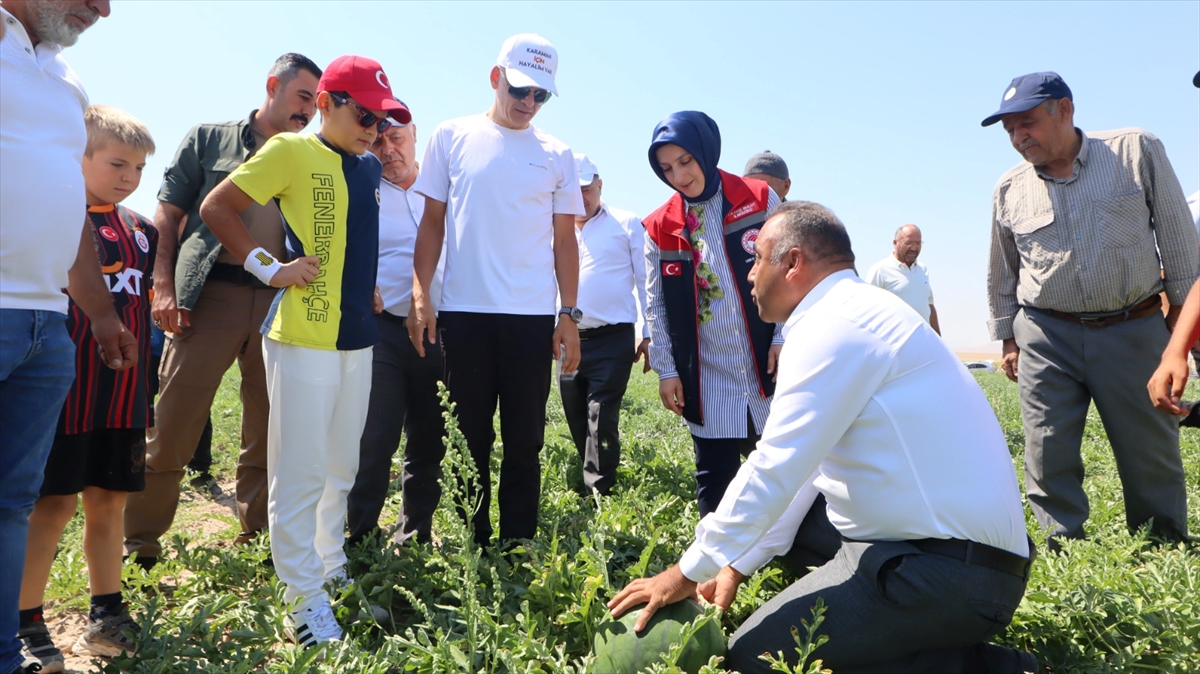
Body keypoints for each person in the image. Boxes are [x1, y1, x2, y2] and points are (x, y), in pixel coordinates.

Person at [609, 201, 1038, 674]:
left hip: (947, 574)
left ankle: (981, 665)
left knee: (757, 661)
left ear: (793, 263)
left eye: (756, 259)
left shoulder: (835, 327)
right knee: (793, 528)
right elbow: (807, 470)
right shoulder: (853, 312)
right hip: (946, 556)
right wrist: (732, 564)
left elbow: (775, 466)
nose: (749, 275)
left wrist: (684, 573)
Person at [201, 54, 408, 647]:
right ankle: (302, 600)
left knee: (341, 466)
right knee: (300, 472)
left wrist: (361, 281)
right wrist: (269, 267)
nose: (373, 128)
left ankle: (329, 570)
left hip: (357, 338)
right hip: (301, 336)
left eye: (383, 118)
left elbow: (352, 239)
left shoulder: (369, 170)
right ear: (326, 103)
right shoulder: (290, 151)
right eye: (363, 113)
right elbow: (219, 207)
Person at [124, 53, 322, 568]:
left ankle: (258, 538)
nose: (309, 112)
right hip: (210, 297)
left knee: (268, 426)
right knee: (172, 425)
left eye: (316, 104)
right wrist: (162, 285)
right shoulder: (210, 140)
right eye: (303, 97)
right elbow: (167, 212)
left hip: (281, 302)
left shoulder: (309, 154)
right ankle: (139, 547)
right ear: (272, 86)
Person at [983, 72, 1197, 549]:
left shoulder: (1134, 151)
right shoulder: (1009, 187)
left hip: (1132, 325)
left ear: (1065, 110)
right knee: (1046, 448)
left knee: (1150, 450)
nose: (1019, 138)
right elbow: (1002, 268)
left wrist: (1180, 325)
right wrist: (1009, 339)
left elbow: (1179, 239)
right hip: (1045, 333)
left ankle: (1161, 549)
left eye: (1028, 124)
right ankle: (1062, 552)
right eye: (1011, 130)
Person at [0, 3, 139, 674]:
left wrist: (105, 318)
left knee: (11, 505)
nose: (105, 7)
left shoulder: (65, 81)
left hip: (45, 328)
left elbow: (67, 210)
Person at [409, 33, 584, 548]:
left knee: (525, 439)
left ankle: (519, 541)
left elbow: (564, 243)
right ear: (495, 77)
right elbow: (432, 224)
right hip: (463, 314)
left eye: (540, 96)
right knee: (469, 438)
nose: (528, 103)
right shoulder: (451, 135)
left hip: (530, 319)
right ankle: (473, 539)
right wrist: (422, 294)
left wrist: (568, 314)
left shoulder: (557, 153)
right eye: (520, 90)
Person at [17, 106, 157, 672]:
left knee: (111, 502)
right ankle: (25, 618)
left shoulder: (143, 230)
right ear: (79, 158)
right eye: (116, 162)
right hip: (64, 395)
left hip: (122, 395)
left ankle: (107, 611)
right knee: (50, 506)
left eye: (140, 166)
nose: (128, 175)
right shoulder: (53, 219)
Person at [643, 111, 783, 516]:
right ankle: (715, 565)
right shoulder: (660, 226)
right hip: (707, 374)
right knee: (715, 480)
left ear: (706, 151)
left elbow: (794, 270)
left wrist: (781, 337)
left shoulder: (758, 199)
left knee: (784, 470)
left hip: (767, 363)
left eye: (686, 161)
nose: (679, 176)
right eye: (667, 168)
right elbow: (657, 305)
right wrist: (667, 369)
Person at [346, 102, 448, 548]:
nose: (389, 151)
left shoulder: (446, 189)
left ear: (415, 136)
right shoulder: (365, 190)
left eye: (398, 139)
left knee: (429, 440)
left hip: (443, 333)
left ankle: (414, 534)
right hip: (383, 329)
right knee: (374, 438)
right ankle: (361, 536)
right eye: (379, 141)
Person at [558, 153, 651, 496]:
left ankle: (599, 492)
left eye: (586, 188)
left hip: (613, 338)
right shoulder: (557, 228)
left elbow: (646, 282)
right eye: (573, 189)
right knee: (576, 414)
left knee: (602, 414)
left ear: (600, 185)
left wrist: (649, 333)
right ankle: (589, 478)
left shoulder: (626, 224)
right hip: (569, 338)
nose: (581, 197)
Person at [865, 224, 941, 334]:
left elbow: (929, 306)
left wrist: (938, 341)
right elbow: (868, 308)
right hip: (895, 342)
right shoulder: (880, 269)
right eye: (908, 243)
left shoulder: (923, 269)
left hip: (923, 340)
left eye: (918, 243)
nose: (914, 248)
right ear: (895, 243)